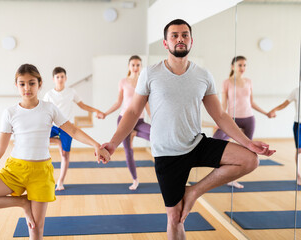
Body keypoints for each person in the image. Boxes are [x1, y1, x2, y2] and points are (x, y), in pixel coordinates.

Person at [101, 19, 275, 240]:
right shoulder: (150, 73)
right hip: (166, 153)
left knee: (250, 160)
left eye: (184, 35)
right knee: (175, 219)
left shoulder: (203, 75)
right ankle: (188, 197)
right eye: (174, 35)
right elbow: (133, 112)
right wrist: (113, 143)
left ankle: (194, 191)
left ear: (191, 41)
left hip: (196, 143)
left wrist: (249, 143)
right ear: (166, 43)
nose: (180, 38)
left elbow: (220, 116)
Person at [0, 64, 110, 240]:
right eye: (22, 84)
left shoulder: (49, 108)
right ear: (16, 85)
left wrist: (96, 145)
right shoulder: (10, 112)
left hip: (41, 173)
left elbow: (73, 131)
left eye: (31, 83)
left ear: (39, 84)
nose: (27, 88)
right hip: (15, 171)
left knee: (36, 229)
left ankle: (26, 205)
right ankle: (22, 202)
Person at [213, 55, 272, 189]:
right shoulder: (227, 82)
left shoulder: (249, 81)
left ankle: (233, 179)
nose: (243, 68)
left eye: (244, 65)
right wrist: (219, 120)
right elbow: (224, 103)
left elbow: (251, 103)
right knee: (216, 140)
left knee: (248, 151)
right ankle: (224, 169)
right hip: (232, 118)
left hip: (248, 118)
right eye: (240, 65)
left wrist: (266, 113)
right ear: (233, 66)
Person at [43, 67, 106, 191]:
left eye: (62, 77)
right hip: (54, 126)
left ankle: (60, 181)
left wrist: (96, 111)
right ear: (53, 79)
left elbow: (82, 105)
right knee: (39, 138)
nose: (60, 79)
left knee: (65, 154)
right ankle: (57, 141)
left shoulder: (71, 92)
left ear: (65, 78)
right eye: (57, 77)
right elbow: (43, 111)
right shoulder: (49, 94)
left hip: (68, 126)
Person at [99, 55, 151, 190]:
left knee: (156, 136)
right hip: (124, 120)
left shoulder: (144, 81)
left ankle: (133, 133)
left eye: (138, 65)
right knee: (128, 151)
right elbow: (119, 102)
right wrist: (105, 113)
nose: (135, 67)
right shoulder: (123, 82)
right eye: (133, 65)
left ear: (141, 66)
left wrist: (155, 120)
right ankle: (135, 179)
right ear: (129, 66)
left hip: (139, 121)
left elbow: (147, 105)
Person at [268, 87, 301, 184]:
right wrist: (274, 110)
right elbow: (284, 104)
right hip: (298, 124)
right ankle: (299, 175)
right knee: (299, 150)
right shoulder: (296, 91)